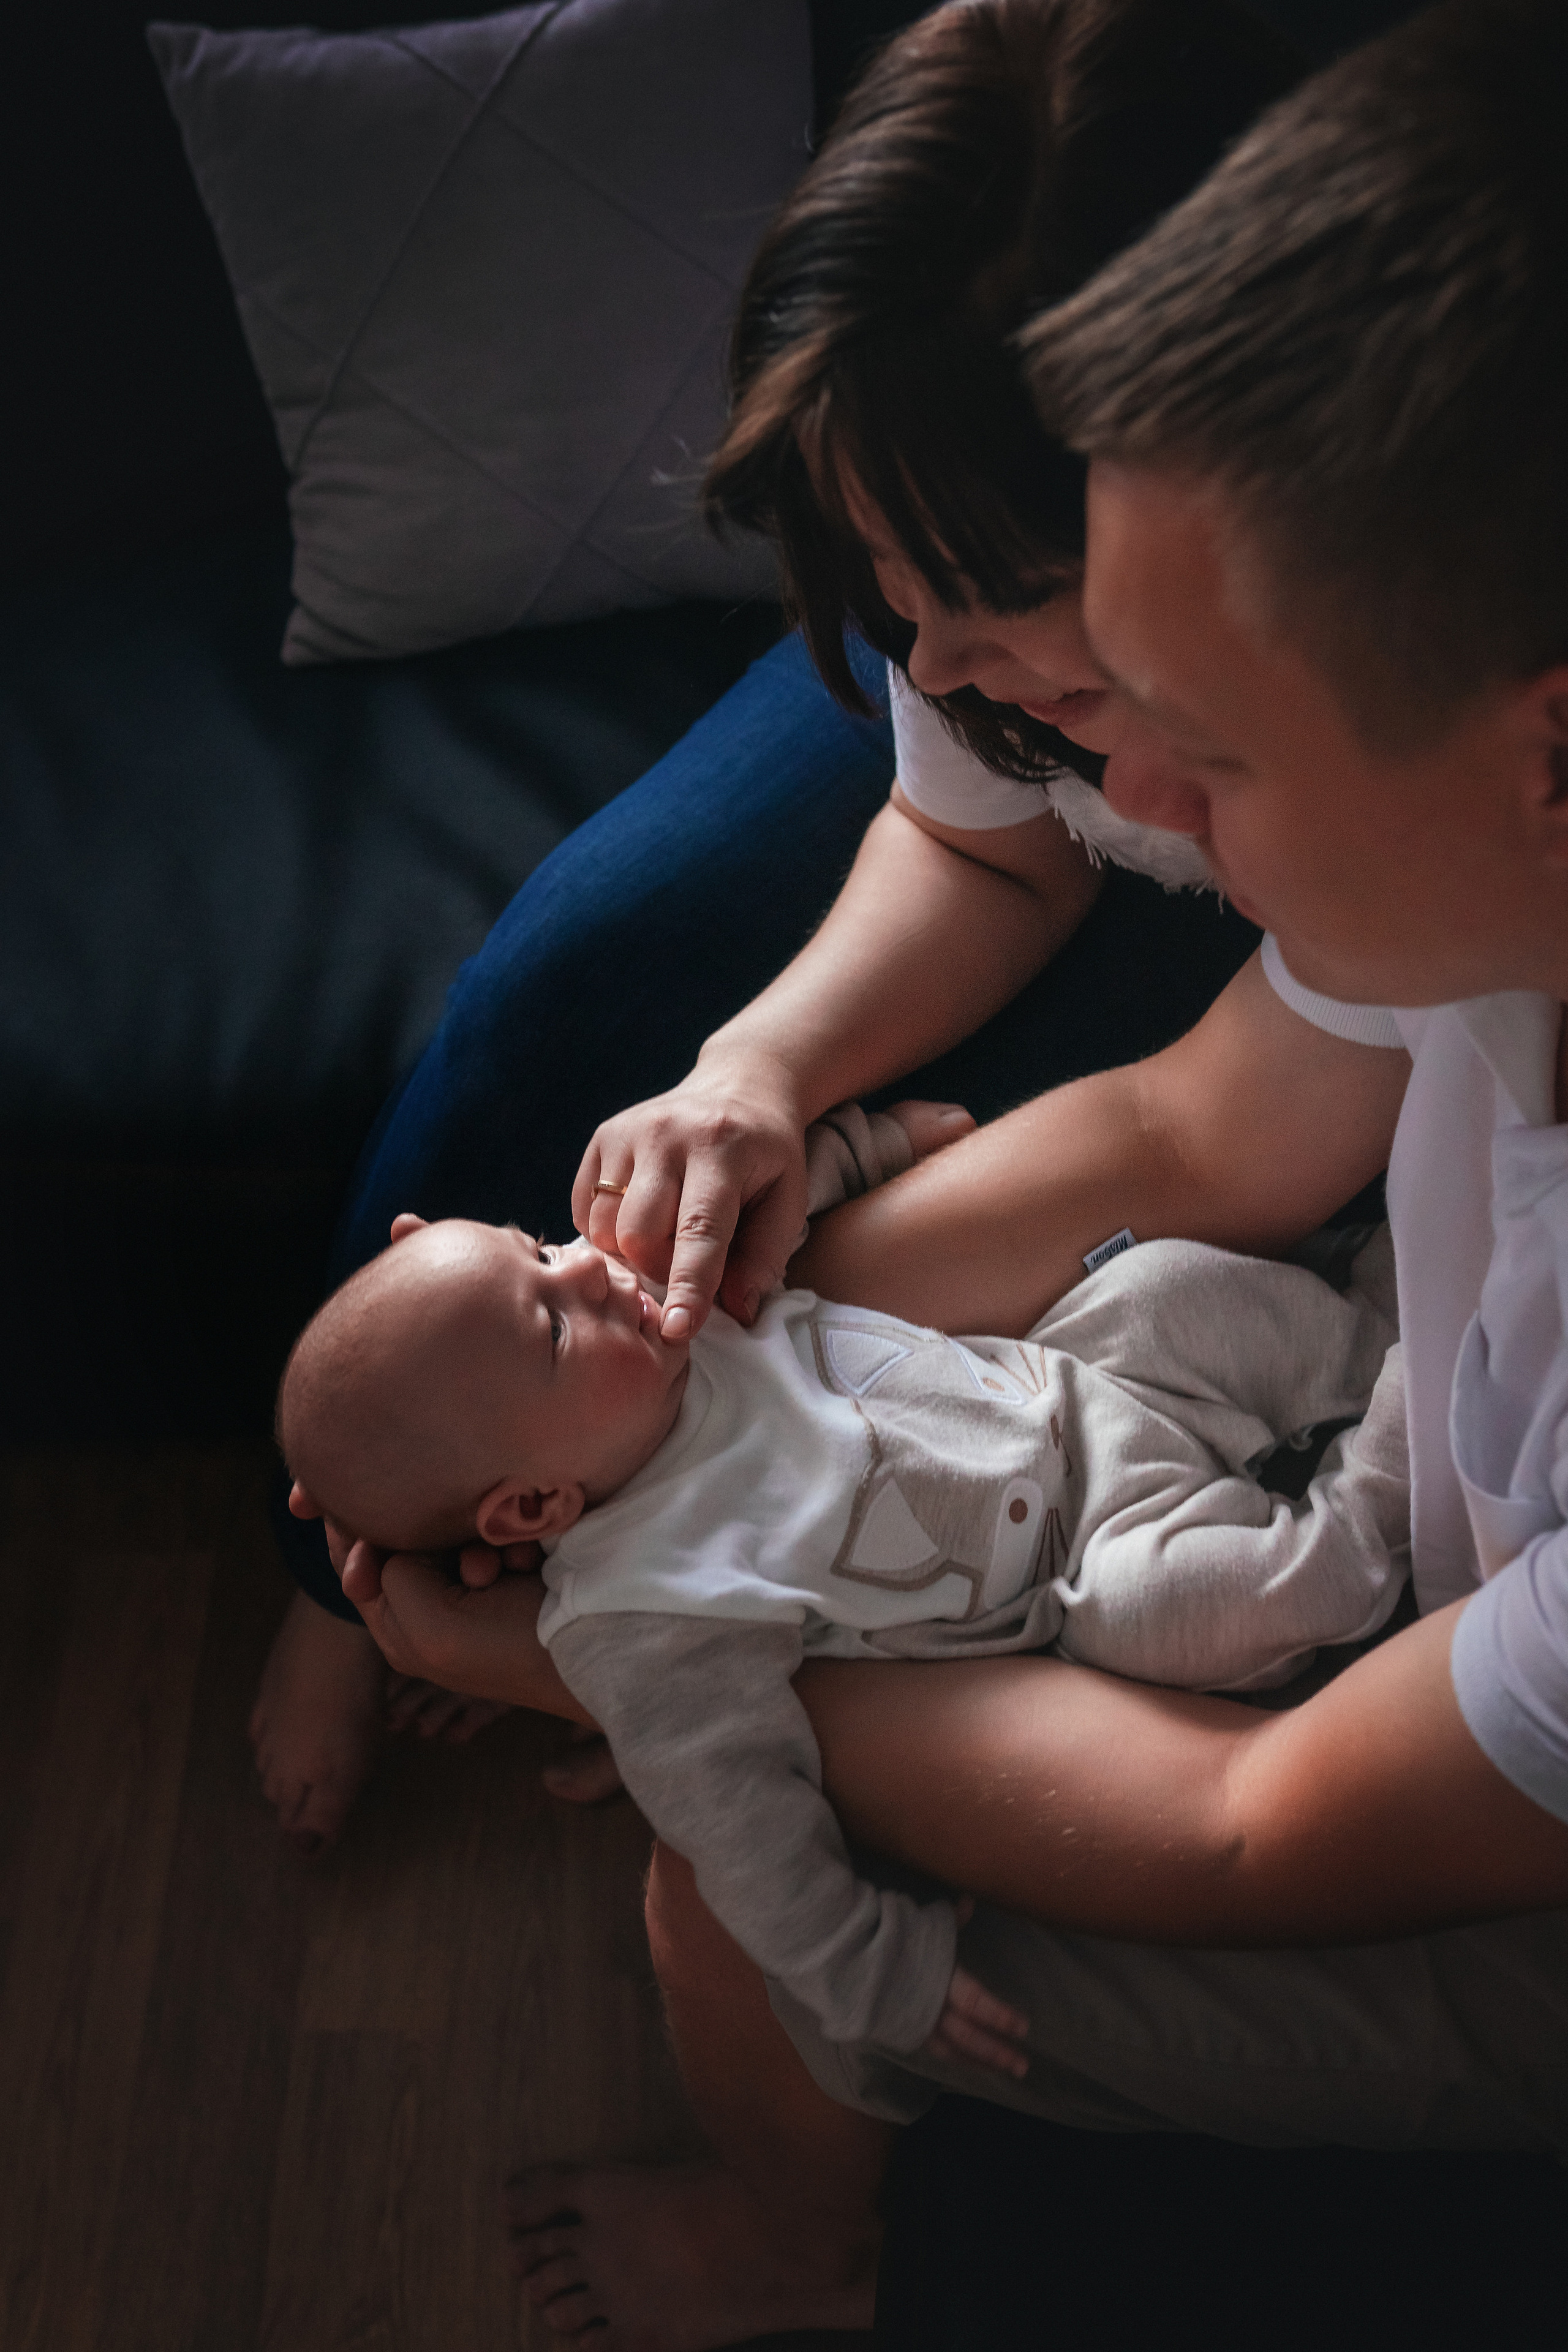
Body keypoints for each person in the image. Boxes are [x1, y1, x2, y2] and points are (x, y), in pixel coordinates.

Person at [324, 2, 1568, 2342]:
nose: (1147, 826)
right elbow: (1192, 1126)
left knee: (732, 1888)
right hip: (1398, 1511)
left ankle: (804, 2252)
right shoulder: (1461, 912)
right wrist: (729, 1361)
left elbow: (1253, 1828)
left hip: (1492, 1871)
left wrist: (644, 1657)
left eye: (1191, 745)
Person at [253, 0, 1305, 1856]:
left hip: (1250, 1047)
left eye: (972, 596)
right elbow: (980, 847)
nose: (925, 656)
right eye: (877, 580)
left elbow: (1206, 1131)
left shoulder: (1380, 748)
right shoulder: (950, 605)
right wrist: (760, 1070)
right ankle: (346, 1569)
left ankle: (572, 1587)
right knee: (582, 967)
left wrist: (670, 1519)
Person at [282, 1203, 1404, 2062]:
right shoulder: (642, 1609)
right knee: (1174, 1614)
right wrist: (869, 1974)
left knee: (1158, 1287)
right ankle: (1384, 1494)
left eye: (537, 1247)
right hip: (1087, 1554)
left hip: (1078, 1379)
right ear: (533, 1508)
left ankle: (1387, 1330)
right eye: (554, 1322)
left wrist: (872, 1143)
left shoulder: (678, 1307)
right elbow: (736, 1820)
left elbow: (795, 1191)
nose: (587, 1266)